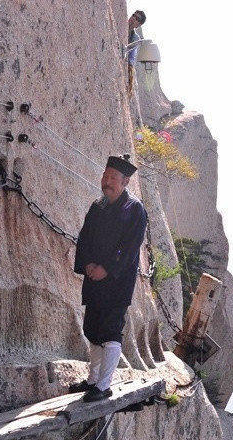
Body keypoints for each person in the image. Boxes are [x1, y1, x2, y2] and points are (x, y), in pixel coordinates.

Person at [72, 155, 148, 402]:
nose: (107, 181)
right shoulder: (98, 206)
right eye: (105, 176)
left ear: (125, 181)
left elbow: (129, 247)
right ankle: (92, 381)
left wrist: (106, 268)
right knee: (92, 329)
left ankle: (104, 385)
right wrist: (88, 264)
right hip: (95, 277)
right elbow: (85, 239)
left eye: (113, 178)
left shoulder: (134, 209)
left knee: (110, 331)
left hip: (117, 280)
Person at [127, 10, 146, 95]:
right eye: (133, 15)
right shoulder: (119, 23)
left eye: (137, 18)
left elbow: (131, 58)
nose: (133, 18)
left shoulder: (135, 37)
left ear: (139, 25)